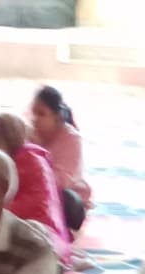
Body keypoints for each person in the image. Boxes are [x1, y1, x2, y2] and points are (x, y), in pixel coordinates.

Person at [0, 112, 71, 265]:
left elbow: (1, 210)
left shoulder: (24, 163)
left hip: (44, 247)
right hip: (55, 242)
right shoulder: (31, 156)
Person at [30, 85, 91, 234]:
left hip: (65, 200)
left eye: (41, 114)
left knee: (68, 200)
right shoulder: (30, 136)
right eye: (33, 114)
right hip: (37, 195)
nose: (35, 120)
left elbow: (61, 182)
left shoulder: (72, 139)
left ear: (57, 118)